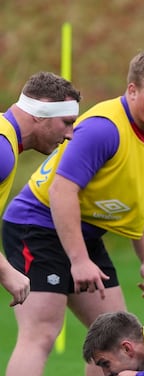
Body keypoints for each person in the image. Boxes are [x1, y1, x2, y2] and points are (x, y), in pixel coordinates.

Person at [2, 50, 144, 376]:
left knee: (117, 335)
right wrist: (79, 260)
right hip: (36, 224)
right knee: (41, 332)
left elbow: (141, 196)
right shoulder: (103, 129)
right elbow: (61, 192)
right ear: (132, 90)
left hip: (82, 232)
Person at [0, 71, 81, 307]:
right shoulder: (2, 151)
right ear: (40, 112)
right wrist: (6, 271)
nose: (70, 135)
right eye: (66, 123)